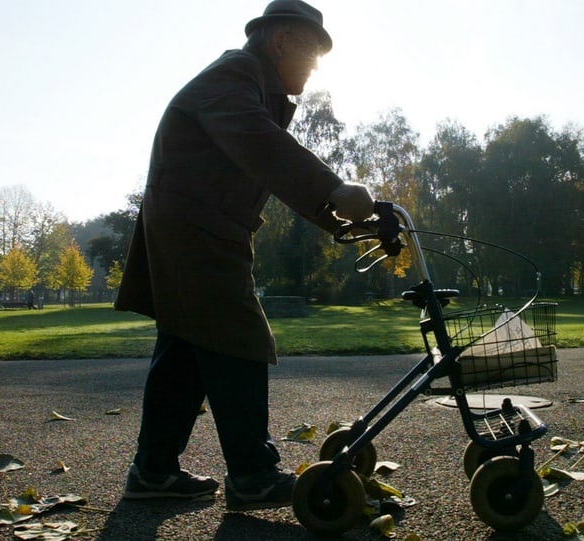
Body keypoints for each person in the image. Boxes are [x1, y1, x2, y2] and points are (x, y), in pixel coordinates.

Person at [114, 0, 374, 512]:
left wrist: (343, 216)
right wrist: (335, 189)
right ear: (280, 41)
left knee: (186, 352)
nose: (314, 66)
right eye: (311, 53)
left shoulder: (251, 83)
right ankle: (253, 475)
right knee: (239, 340)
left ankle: (153, 471)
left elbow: (265, 160)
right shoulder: (235, 74)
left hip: (201, 228)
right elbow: (260, 144)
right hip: (197, 229)